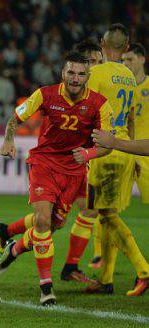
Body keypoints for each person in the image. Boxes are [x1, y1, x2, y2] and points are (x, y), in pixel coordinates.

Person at [0, 51, 113, 306]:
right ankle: (46, 288)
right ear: (63, 73)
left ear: (88, 76)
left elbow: (108, 144)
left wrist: (89, 153)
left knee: (52, 225)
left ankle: (13, 247)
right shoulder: (45, 94)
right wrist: (8, 138)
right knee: (44, 221)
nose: (75, 78)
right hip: (44, 164)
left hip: (74, 172)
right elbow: (16, 118)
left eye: (81, 73)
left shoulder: (100, 104)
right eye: (71, 72)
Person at [71, 25, 149, 296]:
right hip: (125, 149)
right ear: (126, 48)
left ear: (102, 43)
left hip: (104, 150)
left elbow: (83, 109)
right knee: (106, 214)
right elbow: (129, 118)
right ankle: (105, 280)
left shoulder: (97, 74)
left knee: (107, 215)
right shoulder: (129, 76)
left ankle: (143, 270)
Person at [122, 43, 149, 204]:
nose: (126, 64)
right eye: (123, 60)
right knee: (110, 206)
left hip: (146, 152)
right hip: (124, 149)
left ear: (142, 59)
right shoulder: (121, 88)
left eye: (130, 59)